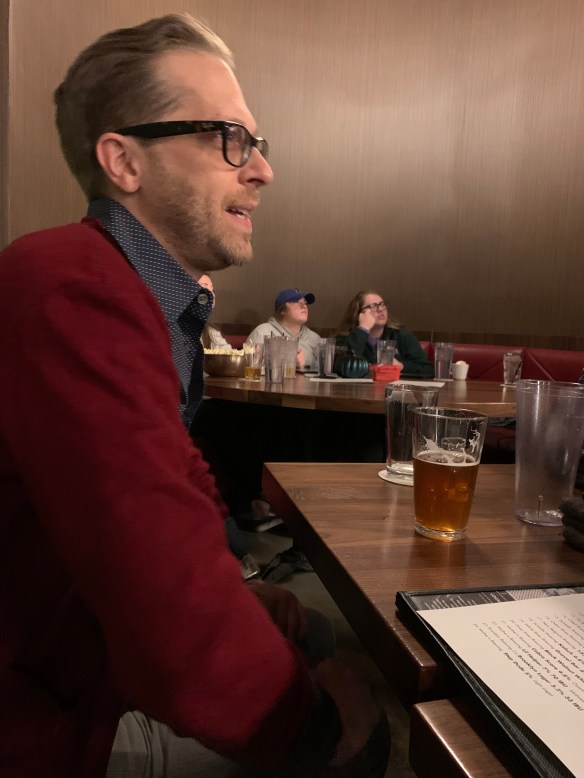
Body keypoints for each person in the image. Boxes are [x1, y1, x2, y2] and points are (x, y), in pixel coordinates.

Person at [0, 13, 390, 778]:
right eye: (228, 139)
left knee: (314, 632)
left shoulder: (144, 296)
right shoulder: (70, 284)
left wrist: (244, 596)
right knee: (367, 738)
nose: (262, 170)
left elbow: (178, 485)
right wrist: (316, 730)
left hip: (90, 648)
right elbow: (167, 615)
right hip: (42, 713)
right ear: (124, 160)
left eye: (256, 143)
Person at [336, 290, 433, 378]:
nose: (381, 309)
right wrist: (363, 329)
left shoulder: (401, 335)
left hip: (393, 389)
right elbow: (344, 366)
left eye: (382, 304)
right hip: (356, 390)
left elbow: (428, 369)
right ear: (359, 314)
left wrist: (401, 366)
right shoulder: (345, 338)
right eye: (373, 306)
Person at [248, 288, 321, 370]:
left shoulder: (315, 339)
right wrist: (288, 363)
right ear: (282, 310)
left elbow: (321, 371)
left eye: (305, 303)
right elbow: (250, 368)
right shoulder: (262, 332)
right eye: (297, 302)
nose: (304, 306)